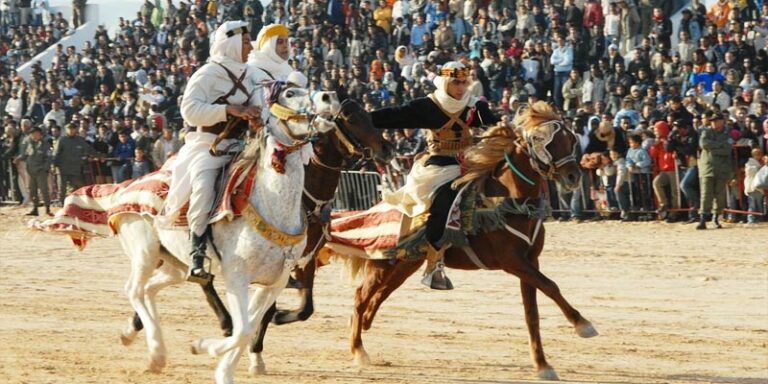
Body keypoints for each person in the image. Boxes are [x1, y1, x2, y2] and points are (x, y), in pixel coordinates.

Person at [369, 61, 500, 290]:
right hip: (439, 166)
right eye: (455, 82)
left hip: (470, 162)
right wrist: (364, 118)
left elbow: (494, 123)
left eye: (463, 82)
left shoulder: (473, 106)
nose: (460, 87)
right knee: (445, 201)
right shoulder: (429, 106)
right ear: (445, 82)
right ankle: (434, 264)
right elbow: (395, 116)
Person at [163, 21, 263, 285]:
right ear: (229, 43)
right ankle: (197, 252)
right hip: (208, 144)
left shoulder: (252, 74)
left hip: (244, 145)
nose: (250, 46)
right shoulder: (208, 73)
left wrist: (256, 117)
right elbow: (189, 110)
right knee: (204, 185)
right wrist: (228, 110)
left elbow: (260, 106)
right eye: (244, 42)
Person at [697, 110, 734, 229]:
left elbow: (727, 150)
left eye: (716, 121)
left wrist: (714, 148)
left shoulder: (727, 135)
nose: (713, 123)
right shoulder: (706, 132)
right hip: (708, 167)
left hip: (722, 168)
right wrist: (720, 145)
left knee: (720, 195)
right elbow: (704, 144)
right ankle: (703, 218)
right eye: (712, 121)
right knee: (706, 194)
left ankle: (716, 217)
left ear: (722, 121)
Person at [53, 123, 96, 204]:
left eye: (73, 129)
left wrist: (99, 155)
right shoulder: (62, 140)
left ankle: (83, 203)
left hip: (76, 168)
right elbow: (55, 154)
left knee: (80, 186)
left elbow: (89, 149)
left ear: (76, 130)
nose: (71, 130)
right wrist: (53, 166)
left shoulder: (79, 140)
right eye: (69, 129)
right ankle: (62, 203)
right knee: (62, 188)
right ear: (66, 130)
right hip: (63, 168)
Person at [18, 127, 52, 216]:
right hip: (31, 171)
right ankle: (35, 208)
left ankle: (47, 208)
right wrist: (19, 158)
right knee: (32, 190)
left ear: (40, 134)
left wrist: (45, 168)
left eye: (36, 133)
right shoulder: (29, 143)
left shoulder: (45, 144)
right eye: (32, 134)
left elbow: (48, 158)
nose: (34, 135)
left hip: (41, 171)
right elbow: (26, 154)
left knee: (44, 190)